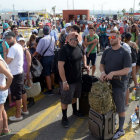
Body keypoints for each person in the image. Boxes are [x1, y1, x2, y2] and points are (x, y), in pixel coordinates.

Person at [100, 31, 131, 139]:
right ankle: (112, 123)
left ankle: (121, 129)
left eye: (113, 37)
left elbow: (127, 70)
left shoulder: (125, 52)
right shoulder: (107, 51)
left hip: (119, 84)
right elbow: (101, 64)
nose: (110, 39)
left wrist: (113, 73)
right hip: (107, 85)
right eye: (109, 37)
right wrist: (103, 72)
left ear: (119, 38)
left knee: (120, 108)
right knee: (109, 106)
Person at [58, 32, 89, 128]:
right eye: (72, 39)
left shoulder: (79, 47)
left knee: (75, 96)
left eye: (76, 39)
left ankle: (75, 111)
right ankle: (64, 117)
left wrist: (85, 64)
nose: (74, 41)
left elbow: (83, 54)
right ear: (67, 39)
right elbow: (60, 67)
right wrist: (64, 81)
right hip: (67, 80)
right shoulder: (63, 50)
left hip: (77, 79)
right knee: (65, 100)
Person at [5, 32, 29, 121]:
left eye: (9, 38)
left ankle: (18, 115)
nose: (7, 40)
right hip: (20, 72)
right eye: (6, 39)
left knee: (17, 96)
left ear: (14, 37)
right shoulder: (19, 46)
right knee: (22, 92)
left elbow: (7, 61)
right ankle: (25, 109)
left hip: (15, 75)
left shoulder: (13, 48)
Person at [33, 26, 55, 95]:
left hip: (46, 58)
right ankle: (52, 85)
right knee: (52, 72)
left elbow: (38, 51)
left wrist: (32, 56)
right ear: (49, 31)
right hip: (52, 56)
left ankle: (49, 89)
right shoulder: (52, 38)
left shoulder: (42, 40)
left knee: (47, 74)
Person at [0, 55, 13, 136]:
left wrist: (5, 87)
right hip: (1, 91)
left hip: (1, 91)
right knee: (2, 110)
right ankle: (5, 129)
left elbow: (10, 76)